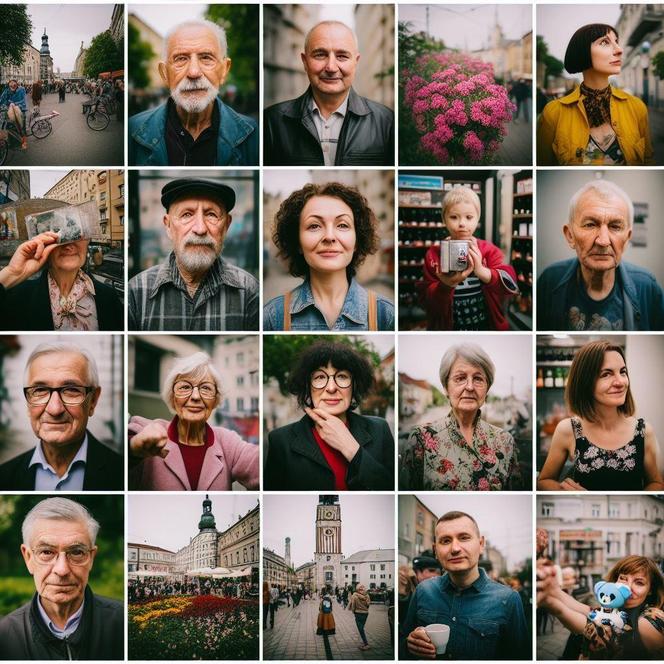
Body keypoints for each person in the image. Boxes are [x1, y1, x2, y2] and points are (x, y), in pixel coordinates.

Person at [128, 178, 259, 331]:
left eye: (211, 214)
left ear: (226, 226)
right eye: (187, 215)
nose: (200, 228)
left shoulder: (249, 290)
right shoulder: (136, 292)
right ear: (168, 226)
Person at [0, 497, 123, 660]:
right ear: (28, 558)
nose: (62, 570)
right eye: (46, 552)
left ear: (91, 558)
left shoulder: (123, 624)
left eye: (77, 552)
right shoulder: (5, 636)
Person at [264, 340, 394, 490]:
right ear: (307, 386)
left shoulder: (380, 430)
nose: (331, 388)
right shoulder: (280, 441)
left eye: (342, 376)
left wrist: (351, 449)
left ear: (354, 385)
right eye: (320, 377)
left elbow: (391, 489)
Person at [264, 182, 394, 330]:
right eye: (314, 226)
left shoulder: (386, 316)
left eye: (342, 225)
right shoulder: (272, 318)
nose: (329, 236)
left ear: (357, 240)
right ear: (298, 242)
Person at [401, 511, 530, 660]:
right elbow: (402, 643)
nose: (455, 548)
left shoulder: (509, 599)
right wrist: (409, 645)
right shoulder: (423, 591)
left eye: (464, 538)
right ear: (435, 550)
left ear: (481, 544)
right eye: (445, 541)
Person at [537, 340, 664, 491]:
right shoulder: (568, 429)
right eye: (606, 374)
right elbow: (544, 480)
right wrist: (563, 490)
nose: (620, 382)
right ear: (585, 382)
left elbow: (656, 483)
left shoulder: (643, 432)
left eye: (623, 372)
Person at [537, 180, 664, 331]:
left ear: (627, 239)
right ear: (570, 235)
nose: (603, 241)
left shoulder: (647, 288)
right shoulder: (549, 281)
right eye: (590, 224)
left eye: (615, 226)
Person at [264, 20, 394, 166]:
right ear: (305, 62)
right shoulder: (270, 122)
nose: (331, 67)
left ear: (355, 62)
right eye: (320, 55)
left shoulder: (387, 122)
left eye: (342, 56)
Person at [129, 19, 257, 166]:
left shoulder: (254, 134)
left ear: (224, 70)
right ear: (165, 74)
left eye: (206, 58)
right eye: (181, 59)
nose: (194, 72)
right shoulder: (131, 130)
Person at [128, 352, 258, 490]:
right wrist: (133, 448)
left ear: (215, 400)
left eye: (206, 388)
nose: (195, 396)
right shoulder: (146, 429)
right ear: (173, 397)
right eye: (185, 387)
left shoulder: (228, 442)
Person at [0, 343, 123, 490]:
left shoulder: (123, 473)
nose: (55, 409)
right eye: (40, 390)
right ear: (28, 402)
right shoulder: (5, 476)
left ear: (93, 401)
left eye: (71, 390)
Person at [401, 343, 521, 491]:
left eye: (478, 379)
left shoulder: (505, 441)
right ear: (446, 388)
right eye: (460, 378)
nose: (470, 387)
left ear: (487, 388)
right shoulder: (421, 438)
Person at [538, 24, 654, 165]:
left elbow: (648, 160)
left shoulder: (637, 107)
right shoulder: (554, 113)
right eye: (605, 42)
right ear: (583, 51)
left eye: (616, 41)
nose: (619, 49)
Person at [420, 187, 518, 330]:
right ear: (444, 220)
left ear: (477, 218)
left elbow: (510, 285)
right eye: (454, 217)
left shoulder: (489, 251)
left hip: (487, 327)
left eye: (469, 217)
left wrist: (482, 271)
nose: (462, 223)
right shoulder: (434, 255)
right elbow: (427, 303)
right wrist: (446, 285)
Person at [537, 555, 664, 659]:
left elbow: (594, 626)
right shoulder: (615, 606)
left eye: (639, 582)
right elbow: (588, 611)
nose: (628, 587)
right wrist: (554, 589)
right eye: (623, 578)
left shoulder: (651, 617)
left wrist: (553, 605)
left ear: (650, 590)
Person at [0, 230, 123, 331]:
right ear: (45, 242)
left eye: (77, 234)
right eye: (59, 235)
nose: (69, 245)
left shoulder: (109, 297)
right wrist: (11, 273)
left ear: (87, 242)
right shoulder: (17, 297)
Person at [399, 551, 443, 622]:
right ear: (417, 572)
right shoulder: (406, 585)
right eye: (431, 570)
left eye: (439, 572)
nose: (436, 576)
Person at [0, 79, 28, 149]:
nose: (12, 86)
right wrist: (9, 104)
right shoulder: (7, 90)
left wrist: (15, 104)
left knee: (22, 127)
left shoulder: (22, 89)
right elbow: (2, 100)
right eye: (11, 85)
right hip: (10, 110)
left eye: (14, 84)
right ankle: (12, 141)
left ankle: (24, 142)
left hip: (21, 109)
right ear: (9, 85)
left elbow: (24, 101)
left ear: (17, 84)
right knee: (9, 126)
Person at [349, 584, 371, 650]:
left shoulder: (354, 596)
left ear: (357, 589)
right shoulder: (367, 595)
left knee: (361, 629)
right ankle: (364, 643)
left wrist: (353, 611)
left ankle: (366, 644)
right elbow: (368, 604)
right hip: (365, 613)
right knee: (362, 628)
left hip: (358, 613)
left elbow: (353, 605)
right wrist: (365, 609)